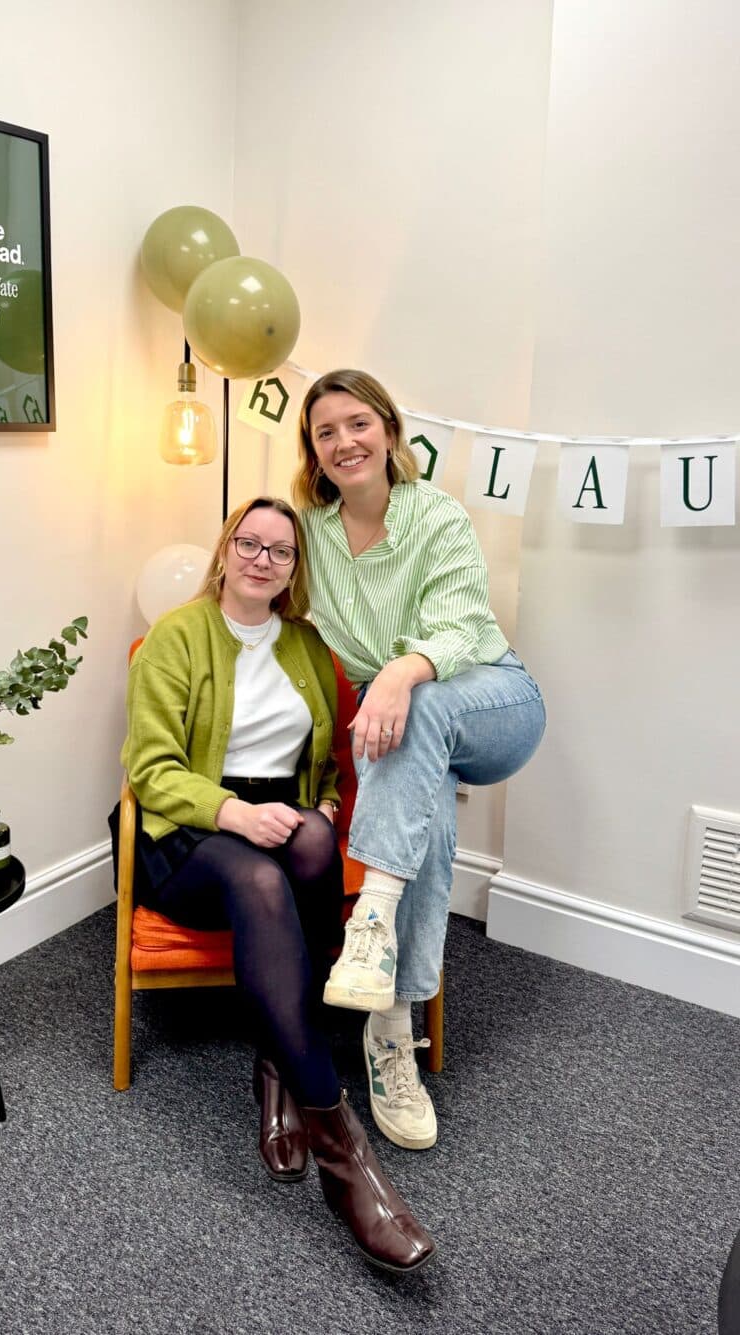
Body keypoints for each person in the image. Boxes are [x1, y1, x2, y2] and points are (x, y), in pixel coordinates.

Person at [118, 496, 435, 1274]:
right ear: (225, 553)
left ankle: (277, 1057)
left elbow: (324, 757)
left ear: (295, 569)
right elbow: (148, 769)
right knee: (261, 878)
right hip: (186, 829)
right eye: (249, 544)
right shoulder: (176, 637)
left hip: (276, 810)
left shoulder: (303, 644)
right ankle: (345, 1155)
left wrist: (319, 801)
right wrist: (231, 811)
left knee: (319, 836)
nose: (263, 558)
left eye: (281, 551)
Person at [293, 369, 547, 1154]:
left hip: (491, 698)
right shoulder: (312, 532)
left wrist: (401, 673)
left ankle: (369, 923)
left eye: (358, 423)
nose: (344, 442)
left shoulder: (435, 513)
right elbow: (255, 579)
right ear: (313, 451)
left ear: (391, 432)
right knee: (426, 813)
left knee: (421, 709)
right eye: (325, 431)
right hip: (404, 729)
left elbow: (462, 627)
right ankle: (390, 1033)